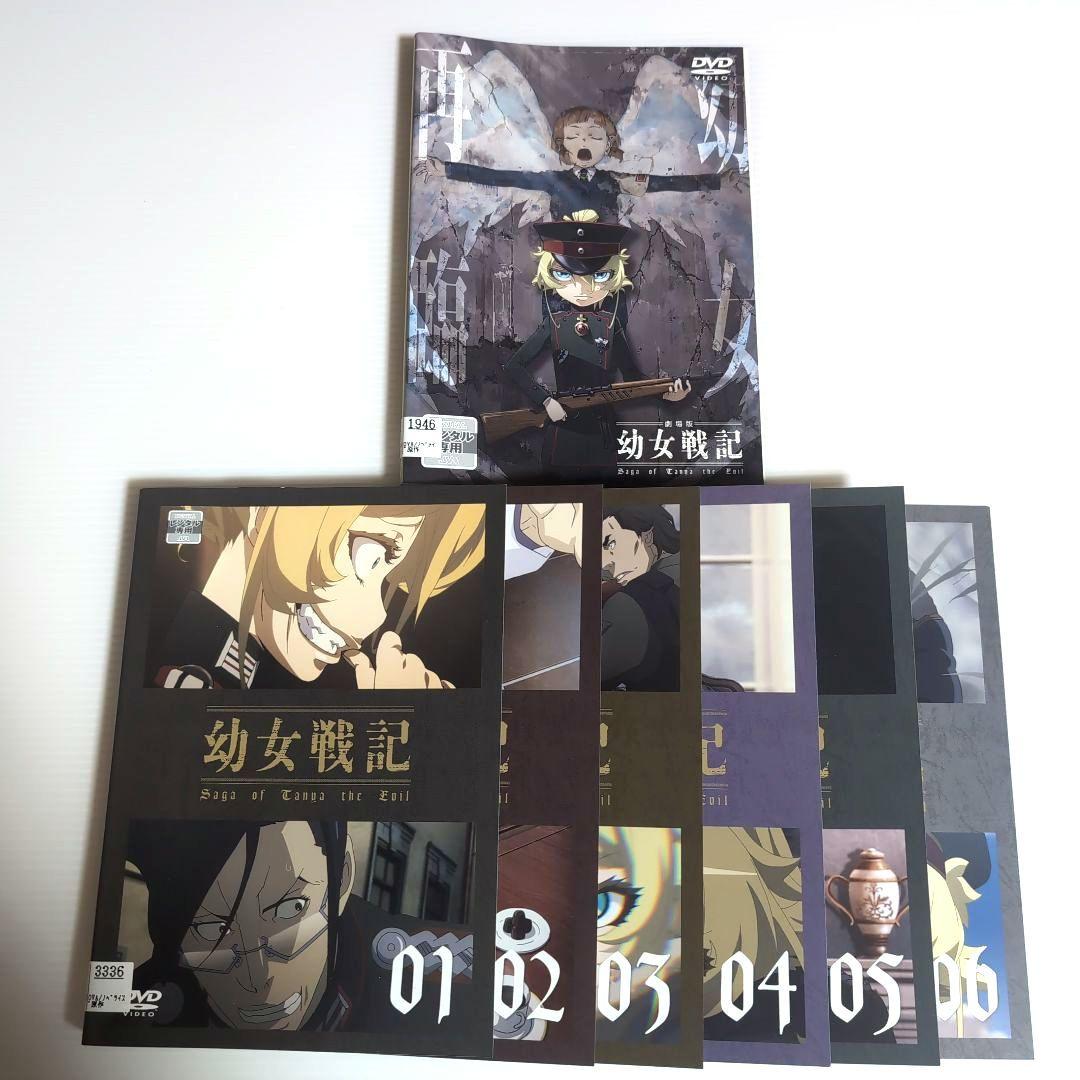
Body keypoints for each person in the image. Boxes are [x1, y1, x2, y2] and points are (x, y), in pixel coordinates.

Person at [150, 503, 485, 690]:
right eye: (367, 557)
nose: (376, 618)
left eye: (388, 582)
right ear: (262, 511)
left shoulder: (263, 675)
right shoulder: (157, 626)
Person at [419, 105, 730, 222]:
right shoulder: (552, 180)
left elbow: (667, 183)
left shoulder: (617, 180)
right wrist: (447, 169)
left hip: (607, 260)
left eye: (594, 136)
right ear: (562, 144)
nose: (584, 143)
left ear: (608, 144)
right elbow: (502, 177)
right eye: (574, 136)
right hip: (561, 259)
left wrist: (717, 181)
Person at [600, 505, 681, 691]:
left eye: (611, 545)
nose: (604, 562)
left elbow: (590, 682)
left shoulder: (629, 607)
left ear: (647, 535)